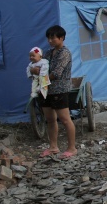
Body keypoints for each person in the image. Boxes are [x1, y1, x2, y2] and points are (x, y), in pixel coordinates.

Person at [31, 25, 77, 159]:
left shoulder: (65, 53)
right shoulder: (48, 53)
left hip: (59, 90)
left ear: (61, 38)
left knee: (65, 119)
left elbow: (56, 73)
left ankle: (71, 148)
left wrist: (38, 74)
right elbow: (39, 65)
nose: (50, 41)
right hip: (45, 90)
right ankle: (53, 147)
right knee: (50, 119)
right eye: (49, 38)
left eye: (53, 38)